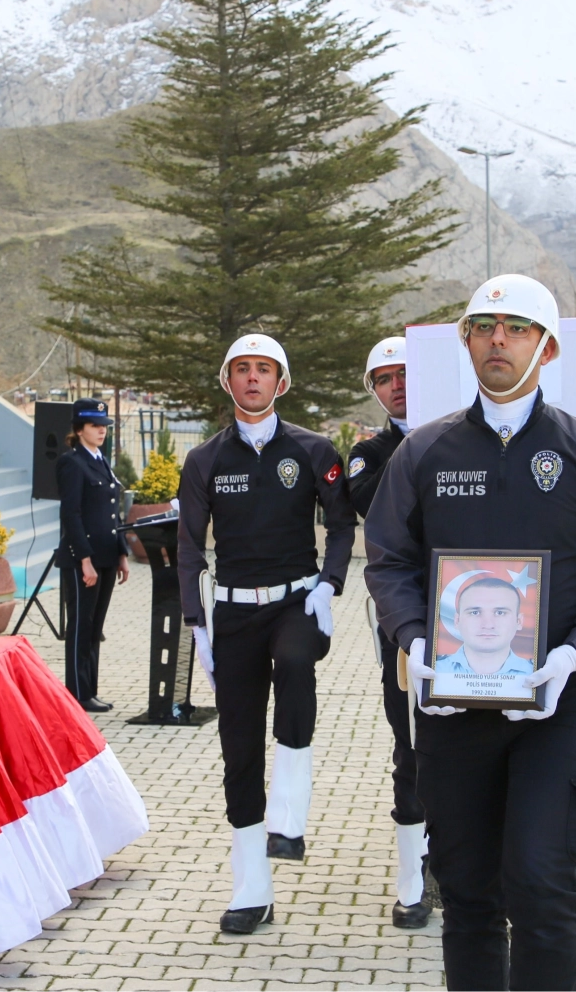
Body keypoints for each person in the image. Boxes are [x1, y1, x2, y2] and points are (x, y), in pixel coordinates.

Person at [365, 274, 576, 992]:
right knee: (466, 891)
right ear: (465, 341)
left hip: (560, 703)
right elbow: (389, 559)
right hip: (451, 705)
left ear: (549, 347)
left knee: (539, 881)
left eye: (517, 328)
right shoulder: (424, 453)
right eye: (484, 326)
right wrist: (414, 642)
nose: (498, 340)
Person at [177, 333, 356, 934]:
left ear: (282, 383)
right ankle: (252, 888)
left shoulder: (312, 449)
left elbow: (340, 525)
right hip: (233, 614)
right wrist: (196, 621)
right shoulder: (205, 459)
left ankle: (291, 814)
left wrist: (330, 583)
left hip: (297, 602)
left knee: (296, 663)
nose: (253, 378)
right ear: (226, 380)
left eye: (265, 370)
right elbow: (187, 548)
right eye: (242, 369)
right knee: (239, 749)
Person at [346, 335, 438, 930]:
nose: (397, 385)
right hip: (404, 617)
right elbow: (372, 503)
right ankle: (413, 878)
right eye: (385, 378)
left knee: (471, 745)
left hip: (477, 612)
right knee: (410, 742)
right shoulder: (371, 452)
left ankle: (461, 862)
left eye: (406, 373)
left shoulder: (462, 435)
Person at [56, 397, 131, 712]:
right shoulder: (72, 462)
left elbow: (111, 514)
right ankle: (77, 692)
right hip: (82, 559)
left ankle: (90, 690)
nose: (101, 431)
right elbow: (71, 515)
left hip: (105, 556)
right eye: (94, 426)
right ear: (79, 428)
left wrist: (122, 554)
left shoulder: (101, 460)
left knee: (94, 626)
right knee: (80, 625)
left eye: (104, 426)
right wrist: (84, 559)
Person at [435, 577, 537, 676]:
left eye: (500, 613)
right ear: (457, 621)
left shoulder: (535, 673)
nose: (488, 625)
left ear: (519, 621)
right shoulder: (433, 669)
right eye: (475, 613)